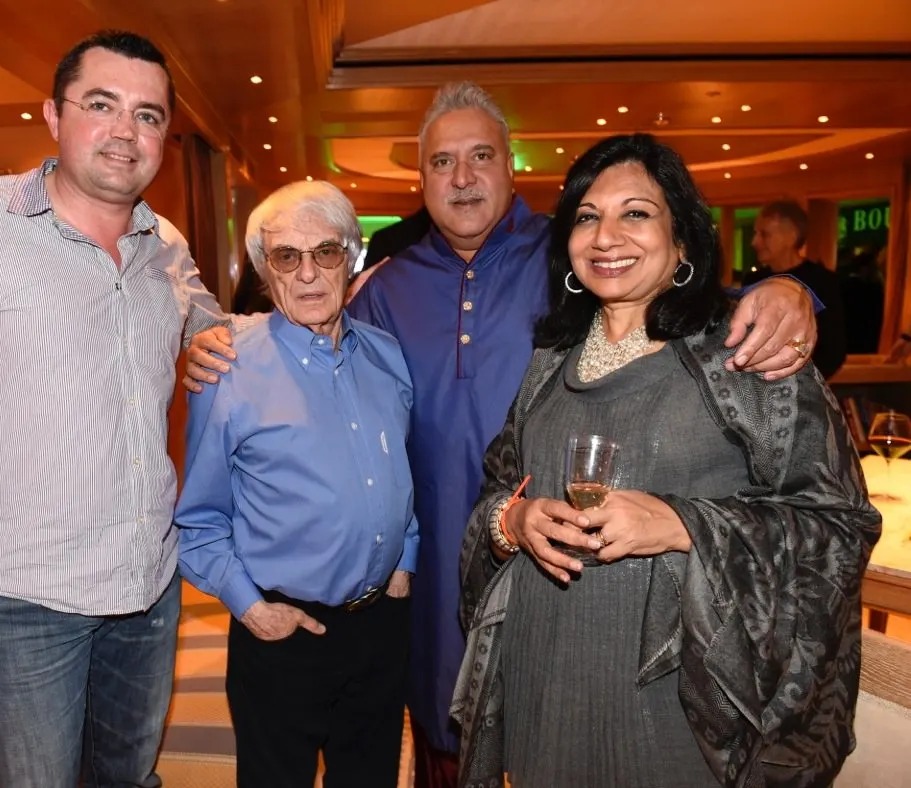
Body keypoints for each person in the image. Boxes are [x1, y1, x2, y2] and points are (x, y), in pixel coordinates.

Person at [184, 82, 819, 786]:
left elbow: (685, 304)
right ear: (419, 178)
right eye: (440, 162)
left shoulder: (572, 256)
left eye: (479, 155)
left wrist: (793, 292)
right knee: (433, 735)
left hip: (566, 575)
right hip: (424, 581)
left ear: (511, 165)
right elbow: (304, 354)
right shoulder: (387, 286)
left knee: (559, 733)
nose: (461, 178)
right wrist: (207, 344)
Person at [0, 30, 227, 788]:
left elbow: (218, 325)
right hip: (24, 601)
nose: (126, 131)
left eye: (148, 115)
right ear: (53, 115)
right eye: (101, 104)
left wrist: (259, 328)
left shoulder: (165, 245)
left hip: (149, 585)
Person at [453, 133, 880, 788]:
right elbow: (497, 490)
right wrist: (513, 523)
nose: (605, 236)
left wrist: (682, 525)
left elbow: (838, 525)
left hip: (674, 721)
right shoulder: (547, 364)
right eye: (586, 217)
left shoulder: (742, 356)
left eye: (635, 213)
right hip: (543, 697)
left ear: (681, 241)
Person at [175, 180, 418, 788]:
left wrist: (403, 558)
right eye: (287, 256)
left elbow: (399, 473)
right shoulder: (227, 367)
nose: (308, 274)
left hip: (379, 626)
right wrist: (252, 610)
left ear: (351, 257)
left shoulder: (388, 357)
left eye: (326, 253)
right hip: (283, 634)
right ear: (264, 269)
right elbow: (199, 522)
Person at [744, 200, 848, 378]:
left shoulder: (822, 282)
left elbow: (833, 350)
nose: (754, 242)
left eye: (764, 234)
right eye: (755, 233)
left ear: (791, 236)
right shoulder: (753, 281)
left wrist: (803, 382)